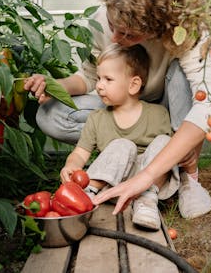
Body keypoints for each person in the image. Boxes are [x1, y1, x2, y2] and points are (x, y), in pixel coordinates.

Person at [24, 0, 211, 219]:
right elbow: (89, 76)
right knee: (50, 114)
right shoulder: (104, 19)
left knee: (185, 81)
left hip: (168, 113)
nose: (115, 39)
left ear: (157, 30)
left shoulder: (189, 29)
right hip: (123, 105)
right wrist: (56, 86)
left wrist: (146, 177)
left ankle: (184, 174)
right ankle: (128, 157)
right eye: (112, 26)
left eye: (130, 36)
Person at [59, 43, 178, 230]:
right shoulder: (97, 118)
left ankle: (146, 202)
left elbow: (170, 158)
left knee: (166, 143)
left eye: (108, 79)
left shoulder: (158, 114)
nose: (98, 85)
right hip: (112, 183)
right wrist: (71, 166)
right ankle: (90, 193)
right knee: (123, 145)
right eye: (98, 78)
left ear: (133, 85)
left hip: (148, 183)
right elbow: (80, 153)